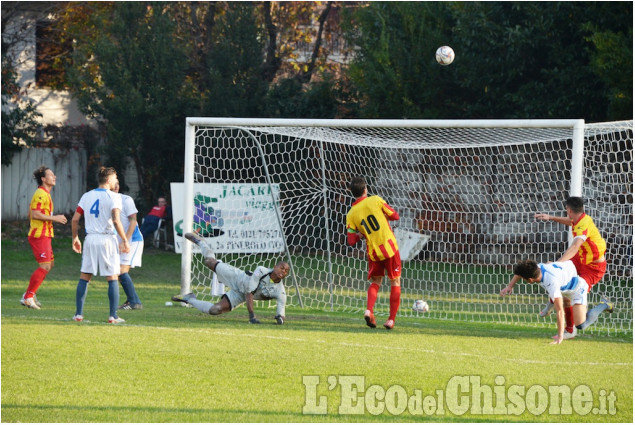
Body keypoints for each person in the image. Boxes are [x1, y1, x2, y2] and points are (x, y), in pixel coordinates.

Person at [501, 196, 608, 340]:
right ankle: (568, 329)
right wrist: (550, 217)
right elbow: (570, 221)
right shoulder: (579, 219)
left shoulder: (584, 225)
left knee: (571, 298)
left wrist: (559, 264)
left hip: (593, 267)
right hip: (581, 259)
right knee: (561, 288)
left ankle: (603, 305)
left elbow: (575, 246)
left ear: (568, 210)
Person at [172, 233, 289, 324]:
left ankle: (189, 299)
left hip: (240, 295)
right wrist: (252, 316)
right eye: (281, 267)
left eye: (286, 271)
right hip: (238, 278)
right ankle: (202, 242)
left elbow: (281, 311)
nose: (283, 271)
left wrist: (280, 318)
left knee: (215, 310)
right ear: (274, 267)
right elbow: (249, 293)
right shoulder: (261, 270)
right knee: (209, 262)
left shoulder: (280, 292)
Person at [71, 167, 130, 323]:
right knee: (112, 277)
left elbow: (75, 219)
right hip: (106, 239)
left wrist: (75, 238)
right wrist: (124, 239)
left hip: (90, 239)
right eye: (115, 178)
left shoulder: (86, 196)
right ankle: (113, 316)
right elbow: (116, 220)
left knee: (85, 276)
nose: (116, 181)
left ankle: (78, 314)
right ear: (110, 179)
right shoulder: (114, 197)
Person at [505, 259, 613, 344]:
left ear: (530, 280)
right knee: (558, 296)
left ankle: (604, 305)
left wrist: (560, 336)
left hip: (578, 290)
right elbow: (521, 272)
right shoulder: (537, 268)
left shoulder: (552, 282)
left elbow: (560, 312)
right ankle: (550, 305)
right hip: (565, 280)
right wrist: (510, 286)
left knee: (581, 325)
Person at [345, 176, 401, 330]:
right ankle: (390, 320)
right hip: (389, 248)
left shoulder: (351, 214)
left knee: (376, 282)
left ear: (352, 192)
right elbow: (395, 216)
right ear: (365, 189)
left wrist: (360, 235)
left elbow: (351, 241)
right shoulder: (376, 200)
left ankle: (369, 310)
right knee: (395, 282)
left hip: (374, 252)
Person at [22, 166, 68, 309]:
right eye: (51, 175)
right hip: (39, 235)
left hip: (45, 234)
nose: (54, 177)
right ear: (43, 178)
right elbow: (34, 214)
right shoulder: (41, 193)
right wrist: (55, 218)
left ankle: (29, 293)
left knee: (50, 265)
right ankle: (28, 296)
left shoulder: (44, 194)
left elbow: (30, 213)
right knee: (45, 265)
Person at [113, 182, 144, 310]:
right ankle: (132, 300)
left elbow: (133, 221)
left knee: (121, 271)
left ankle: (134, 302)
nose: (115, 186)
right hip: (120, 241)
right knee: (117, 273)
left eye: (117, 183)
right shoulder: (106, 202)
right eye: (112, 183)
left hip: (133, 240)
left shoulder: (126, 200)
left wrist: (126, 240)